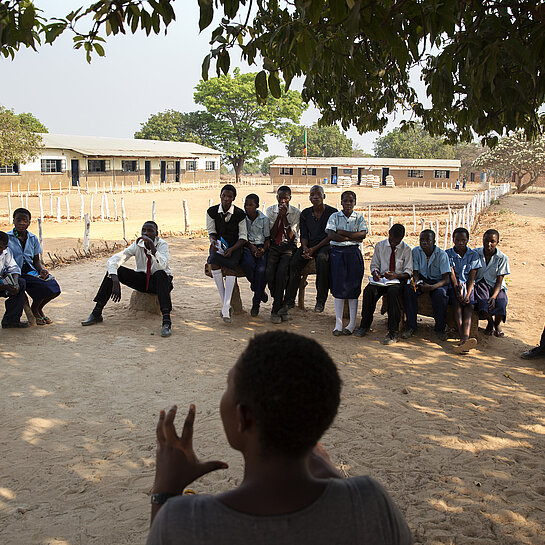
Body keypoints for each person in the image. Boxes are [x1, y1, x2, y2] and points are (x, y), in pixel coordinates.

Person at [146, 331, 413, 545]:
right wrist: (334, 478)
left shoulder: (186, 521)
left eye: (228, 386)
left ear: (244, 417)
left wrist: (164, 491)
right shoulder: (370, 503)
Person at [81, 220, 173, 337]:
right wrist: (115, 280)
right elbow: (114, 260)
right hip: (143, 280)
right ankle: (97, 312)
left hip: (161, 282)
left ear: (156, 233)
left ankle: (166, 322)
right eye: (143, 230)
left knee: (160, 274)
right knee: (115, 271)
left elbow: (163, 265)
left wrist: (153, 249)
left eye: (150, 231)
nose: (146, 233)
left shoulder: (162, 244)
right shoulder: (137, 244)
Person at [355, 224, 412, 345]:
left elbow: (408, 272)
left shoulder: (406, 249)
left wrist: (396, 275)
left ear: (402, 238)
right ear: (389, 234)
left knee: (393, 293)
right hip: (382, 279)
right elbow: (374, 265)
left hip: (397, 280)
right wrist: (376, 274)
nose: (393, 243)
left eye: (396, 241)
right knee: (369, 291)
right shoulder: (380, 246)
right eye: (391, 240)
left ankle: (393, 331)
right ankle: (364, 325)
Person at [284, 185, 337, 313]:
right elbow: (304, 234)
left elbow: (330, 236)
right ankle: (289, 300)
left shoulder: (332, 213)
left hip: (325, 245)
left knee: (322, 260)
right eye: (313, 195)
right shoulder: (306, 214)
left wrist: (313, 249)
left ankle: (320, 300)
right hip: (309, 246)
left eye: (318, 194)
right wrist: (305, 248)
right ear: (309, 198)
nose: (316, 197)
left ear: (324, 196)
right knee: (294, 262)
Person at [8, 208, 61, 325]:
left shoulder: (32, 238)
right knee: (41, 286)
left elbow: (36, 259)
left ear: (29, 223)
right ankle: (35, 312)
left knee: (53, 286)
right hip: (14, 272)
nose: (22, 223)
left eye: (25, 221)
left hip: (30, 270)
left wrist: (41, 270)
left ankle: (37, 308)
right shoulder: (7, 238)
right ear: (13, 221)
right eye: (19, 220)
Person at [325, 191, 367, 336]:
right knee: (338, 287)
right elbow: (331, 235)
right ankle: (338, 323)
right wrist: (349, 238)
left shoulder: (359, 217)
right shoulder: (334, 217)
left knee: (353, 287)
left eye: (351, 201)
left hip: (353, 254)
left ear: (355, 202)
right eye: (345, 201)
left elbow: (362, 235)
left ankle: (352, 323)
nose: (348, 204)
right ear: (341, 202)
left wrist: (343, 233)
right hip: (337, 253)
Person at [206, 184, 248, 323]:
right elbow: (211, 232)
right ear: (220, 196)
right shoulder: (211, 211)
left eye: (230, 196)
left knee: (231, 269)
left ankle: (225, 307)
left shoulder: (240, 214)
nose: (226, 199)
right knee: (214, 263)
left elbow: (243, 237)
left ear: (234, 198)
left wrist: (232, 249)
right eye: (224, 195)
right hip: (218, 244)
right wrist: (213, 242)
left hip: (235, 246)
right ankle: (226, 306)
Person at [402, 229, 450, 341]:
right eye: (421, 240)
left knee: (440, 295)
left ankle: (440, 329)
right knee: (409, 290)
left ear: (434, 241)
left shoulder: (442, 255)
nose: (424, 243)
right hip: (422, 279)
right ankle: (411, 326)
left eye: (427, 240)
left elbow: (446, 279)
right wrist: (416, 282)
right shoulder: (416, 251)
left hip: (437, 282)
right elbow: (416, 273)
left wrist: (432, 287)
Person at [266, 186, 300, 323]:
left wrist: (285, 218)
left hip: (288, 246)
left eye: (286, 198)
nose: (283, 201)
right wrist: (279, 216)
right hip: (274, 245)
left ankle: (276, 308)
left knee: (282, 272)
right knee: (269, 272)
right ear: (277, 198)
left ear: (290, 199)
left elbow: (292, 237)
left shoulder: (296, 212)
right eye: (280, 198)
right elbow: (271, 234)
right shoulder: (270, 210)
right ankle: (279, 302)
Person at [446, 227, 482, 354]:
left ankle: (465, 338)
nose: (460, 243)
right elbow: (452, 275)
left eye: (463, 240)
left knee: (469, 306)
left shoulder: (473, 255)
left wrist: (467, 293)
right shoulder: (448, 254)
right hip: (454, 286)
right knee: (456, 305)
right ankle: (463, 338)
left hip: (468, 286)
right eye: (457, 240)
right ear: (453, 240)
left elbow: (472, 277)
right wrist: (457, 291)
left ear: (467, 240)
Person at [474, 229, 510, 337]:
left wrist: (494, 296)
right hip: (481, 282)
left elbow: (499, 280)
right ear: (482, 240)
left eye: (492, 242)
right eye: (486, 241)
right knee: (483, 302)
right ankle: (490, 322)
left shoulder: (502, 258)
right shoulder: (476, 253)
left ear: (497, 242)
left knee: (501, 301)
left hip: (496, 285)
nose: (489, 244)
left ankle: (497, 323)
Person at [240, 193, 270, 317]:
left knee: (261, 270)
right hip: (246, 245)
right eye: (246, 205)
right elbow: (242, 236)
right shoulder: (242, 218)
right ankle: (258, 289)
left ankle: (256, 303)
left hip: (261, 246)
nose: (248, 207)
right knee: (247, 264)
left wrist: (262, 249)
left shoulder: (264, 219)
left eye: (251, 205)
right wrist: (251, 247)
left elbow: (268, 239)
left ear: (257, 206)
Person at [0, 231, 28, 328]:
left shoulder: (6, 252)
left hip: (2, 283)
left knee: (21, 283)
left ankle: (11, 320)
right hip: (1, 285)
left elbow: (13, 268)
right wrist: (4, 287)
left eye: (1, 247)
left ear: (5, 246)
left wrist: (15, 283)